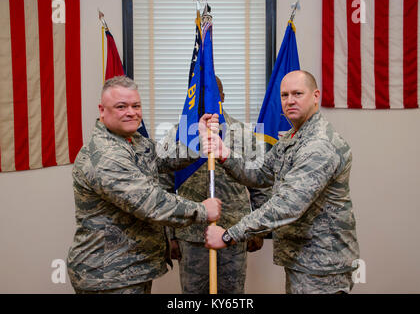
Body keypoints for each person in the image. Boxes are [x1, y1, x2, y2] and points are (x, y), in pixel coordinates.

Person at [203, 70, 360, 294]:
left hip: (323, 267)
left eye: (297, 93)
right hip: (303, 260)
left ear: (316, 96)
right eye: (285, 95)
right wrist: (225, 154)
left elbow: (287, 205)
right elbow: (262, 174)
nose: (290, 101)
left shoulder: (319, 145)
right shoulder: (294, 137)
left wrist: (229, 235)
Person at [66, 76, 222, 294]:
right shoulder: (105, 155)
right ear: (102, 111)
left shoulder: (132, 140)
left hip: (128, 268)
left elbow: (163, 157)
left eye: (136, 105)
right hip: (108, 276)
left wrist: (200, 141)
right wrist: (202, 210)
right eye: (121, 106)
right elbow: (150, 203)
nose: (131, 112)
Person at [160, 76, 266, 294]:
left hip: (233, 232)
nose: (207, 100)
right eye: (201, 95)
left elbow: (261, 185)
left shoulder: (244, 134)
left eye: (214, 95)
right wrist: (169, 235)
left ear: (223, 97)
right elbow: (163, 186)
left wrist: (258, 230)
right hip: (190, 235)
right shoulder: (178, 135)